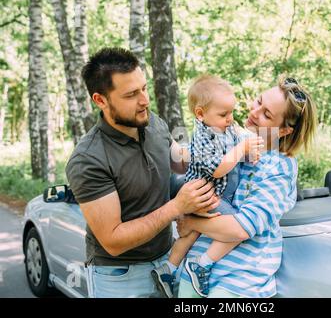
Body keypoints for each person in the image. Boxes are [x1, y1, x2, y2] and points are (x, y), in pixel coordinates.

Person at [65, 48, 219, 298]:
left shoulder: (151, 121)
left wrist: (224, 152)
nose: (145, 100)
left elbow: (179, 161)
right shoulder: (88, 160)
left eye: (144, 88)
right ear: (101, 100)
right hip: (120, 277)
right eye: (131, 94)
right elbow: (113, 241)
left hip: (168, 260)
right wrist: (177, 206)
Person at [176, 75, 318, 298]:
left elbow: (241, 228)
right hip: (192, 275)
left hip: (237, 282)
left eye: (266, 114)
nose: (254, 112)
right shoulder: (232, 141)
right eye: (259, 102)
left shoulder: (279, 167)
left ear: (283, 131)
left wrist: (190, 221)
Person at [151, 75, 263, 298]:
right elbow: (219, 169)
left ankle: (168, 269)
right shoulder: (203, 137)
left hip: (208, 195)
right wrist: (242, 148)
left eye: (231, 112)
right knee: (238, 229)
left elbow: (237, 144)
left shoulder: (224, 128)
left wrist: (249, 150)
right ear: (201, 114)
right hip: (206, 195)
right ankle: (202, 264)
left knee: (190, 234)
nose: (230, 119)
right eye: (223, 114)